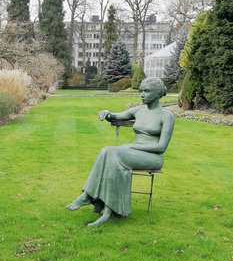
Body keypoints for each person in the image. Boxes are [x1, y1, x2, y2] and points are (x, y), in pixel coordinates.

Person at [66, 77, 175, 226]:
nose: (142, 94)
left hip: (153, 156)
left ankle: (95, 200)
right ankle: (98, 203)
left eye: (146, 91)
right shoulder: (139, 110)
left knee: (114, 153)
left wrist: (130, 147)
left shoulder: (166, 116)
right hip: (132, 154)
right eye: (141, 90)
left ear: (157, 93)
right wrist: (107, 113)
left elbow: (161, 147)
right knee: (107, 151)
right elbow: (117, 116)